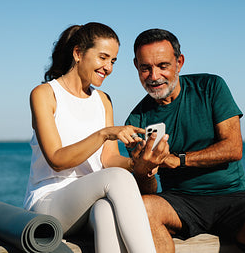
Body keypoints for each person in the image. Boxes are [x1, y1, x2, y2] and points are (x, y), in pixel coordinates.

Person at [125, 28, 245, 253]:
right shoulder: (136, 119)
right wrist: (144, 171)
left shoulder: (211, 87)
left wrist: (176, 161)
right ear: (136, 66)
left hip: (233, 197)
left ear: (179, 62)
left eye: (163, 66)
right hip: (181, 202)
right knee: (143, 207)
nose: (154, 76)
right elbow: (149, 192)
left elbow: (233, 148)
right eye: (146, 68)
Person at [23, 22, 169, 253]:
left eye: (113, 61)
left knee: (105, 211)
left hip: (89, 203)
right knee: (118, 178)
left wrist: (139, 162)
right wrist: (104, 133)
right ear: (78, 53)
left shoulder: (103, 100)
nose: (108, 67)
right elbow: (57, 159)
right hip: (49, 202)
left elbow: (108, 159)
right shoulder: (45, 94)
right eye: (103, 57)